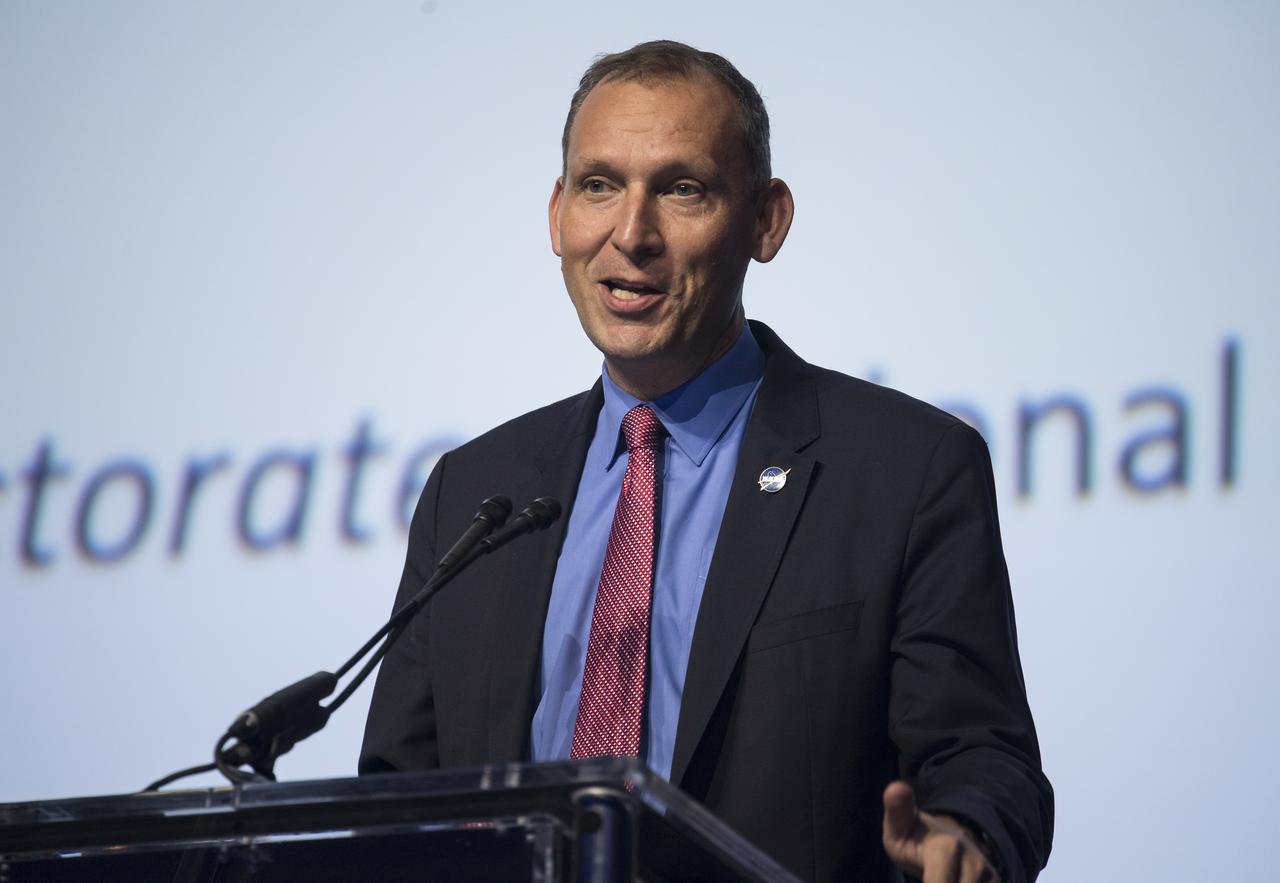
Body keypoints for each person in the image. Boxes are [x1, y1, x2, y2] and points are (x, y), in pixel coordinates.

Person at [361, 40, 1053, 883]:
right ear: (556, 214)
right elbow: (397, 801)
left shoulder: (906, 470)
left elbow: (983, 760)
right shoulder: (474, 492)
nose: (631, 234)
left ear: (766, 220)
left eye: (681, 188)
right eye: (599, 185)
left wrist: (963, 838)